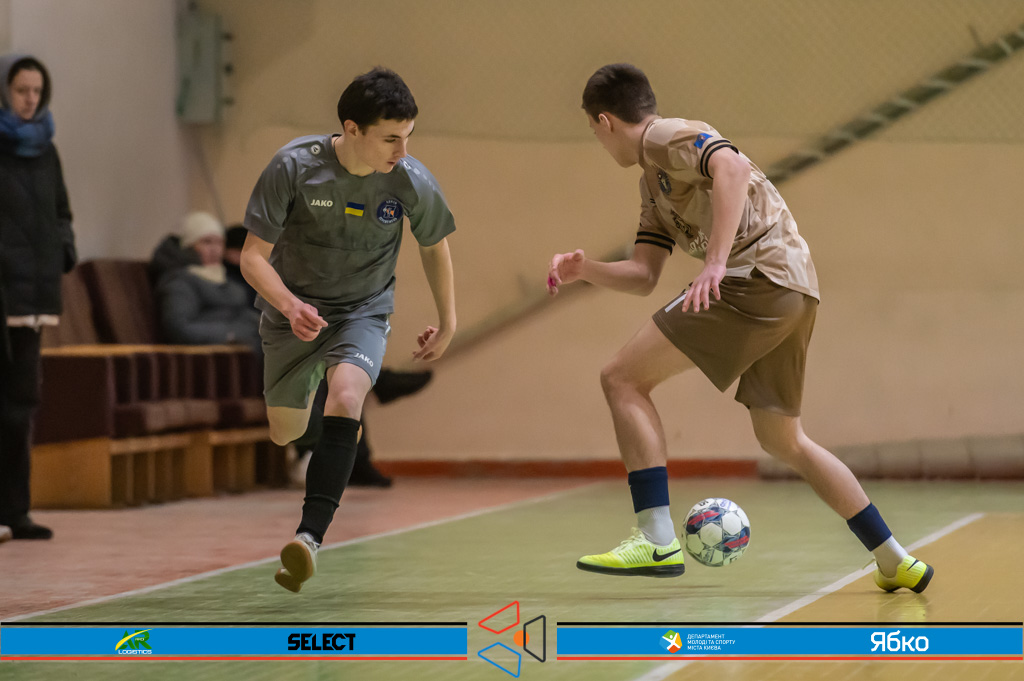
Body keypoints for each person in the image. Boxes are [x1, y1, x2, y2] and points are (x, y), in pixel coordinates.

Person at [547, 64, 932, 593]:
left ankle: (656, 538)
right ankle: (894, 558)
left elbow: (730, 166)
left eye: (594, 130)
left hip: (757, 278)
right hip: (794, 289)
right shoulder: (651, 184)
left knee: (621, 378)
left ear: (605, 121)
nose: (598, 139)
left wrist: (715, 263)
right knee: (784, 438)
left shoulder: (663, 135)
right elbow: (644, 274)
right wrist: (585, 270)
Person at [241, 67, 456, 592]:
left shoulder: (409, 179)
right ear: (352, 129)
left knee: (346, 396)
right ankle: (311, 384)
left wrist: (449, 320)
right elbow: (251, 258)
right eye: (390, 138)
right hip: (293, 313)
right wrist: (290, 305)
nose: (402, 151)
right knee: (285, 432)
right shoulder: (294, 166)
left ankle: (308, 537)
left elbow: (434, 246)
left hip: (363, 311)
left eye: (408, 137)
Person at [224, 224, 433, 488]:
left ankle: (357, 455)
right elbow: (190, 325)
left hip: (274, 344)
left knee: (342, 380)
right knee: (333, 378)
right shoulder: (217, 282)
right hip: (249, 354)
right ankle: (378, 388)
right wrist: (241, 330)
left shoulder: (256, 277)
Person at [0, 54, 77, 541]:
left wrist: (63, 249)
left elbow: (61, 211)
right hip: (3, 292)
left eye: (36, 91)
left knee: (21, 405)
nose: (29, 99)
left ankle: (17, 512)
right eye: (20, 90)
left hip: (35, 295)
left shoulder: (47, 150)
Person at [153, 212, 262, 355]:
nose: (215, 249)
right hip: (207, 355)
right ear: (189, 246)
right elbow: (179, 328)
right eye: (206, 242)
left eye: (219, 242)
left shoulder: (224, 277)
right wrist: (232, 334)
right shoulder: (179, 281)